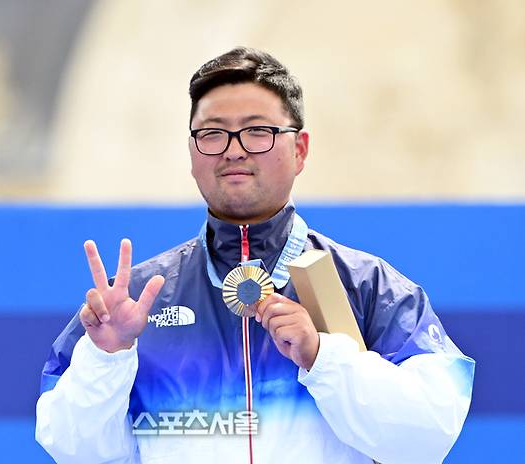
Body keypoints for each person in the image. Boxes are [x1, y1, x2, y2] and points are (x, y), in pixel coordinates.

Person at [36, 47, 474, 464]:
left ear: (299, 150)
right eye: (212, 133)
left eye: (257, 131)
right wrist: (107, 358)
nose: (233, 149)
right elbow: (77, 453)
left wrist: (323, 357)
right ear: (191, 152)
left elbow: (426, 440)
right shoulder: (135, 302)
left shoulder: (367, 285)